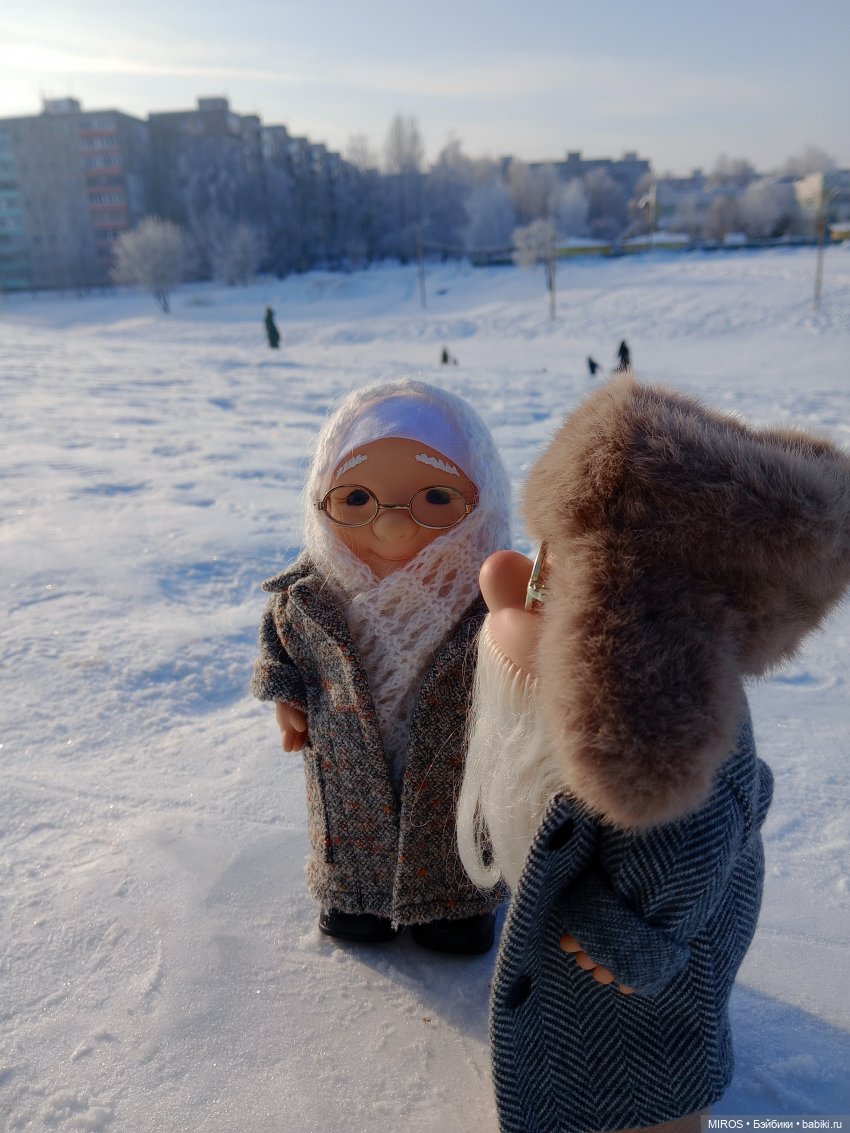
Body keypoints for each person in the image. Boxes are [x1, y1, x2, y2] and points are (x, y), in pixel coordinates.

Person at [457, 375, 850, 1132]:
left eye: (552, 580)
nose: (502, 581)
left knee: (641, 1078)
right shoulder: (621, 716)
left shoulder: (673, 739)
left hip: (639, 1007)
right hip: (587, 980)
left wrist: (631, 932)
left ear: (626, 618)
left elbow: (693, 843)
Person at [252, 378, 512, 952]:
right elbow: (282, 644)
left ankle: (455, 909)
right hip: (345, 753)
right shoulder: (311, 595)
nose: (391, 525)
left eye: (437, 499)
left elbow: (529, 664)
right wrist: (286, 699)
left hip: (460, 756)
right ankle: (353, 899)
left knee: (455, 830)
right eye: (356, 499)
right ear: (322, 496)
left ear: (483, 498)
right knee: (352, 832)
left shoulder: (490, 593)